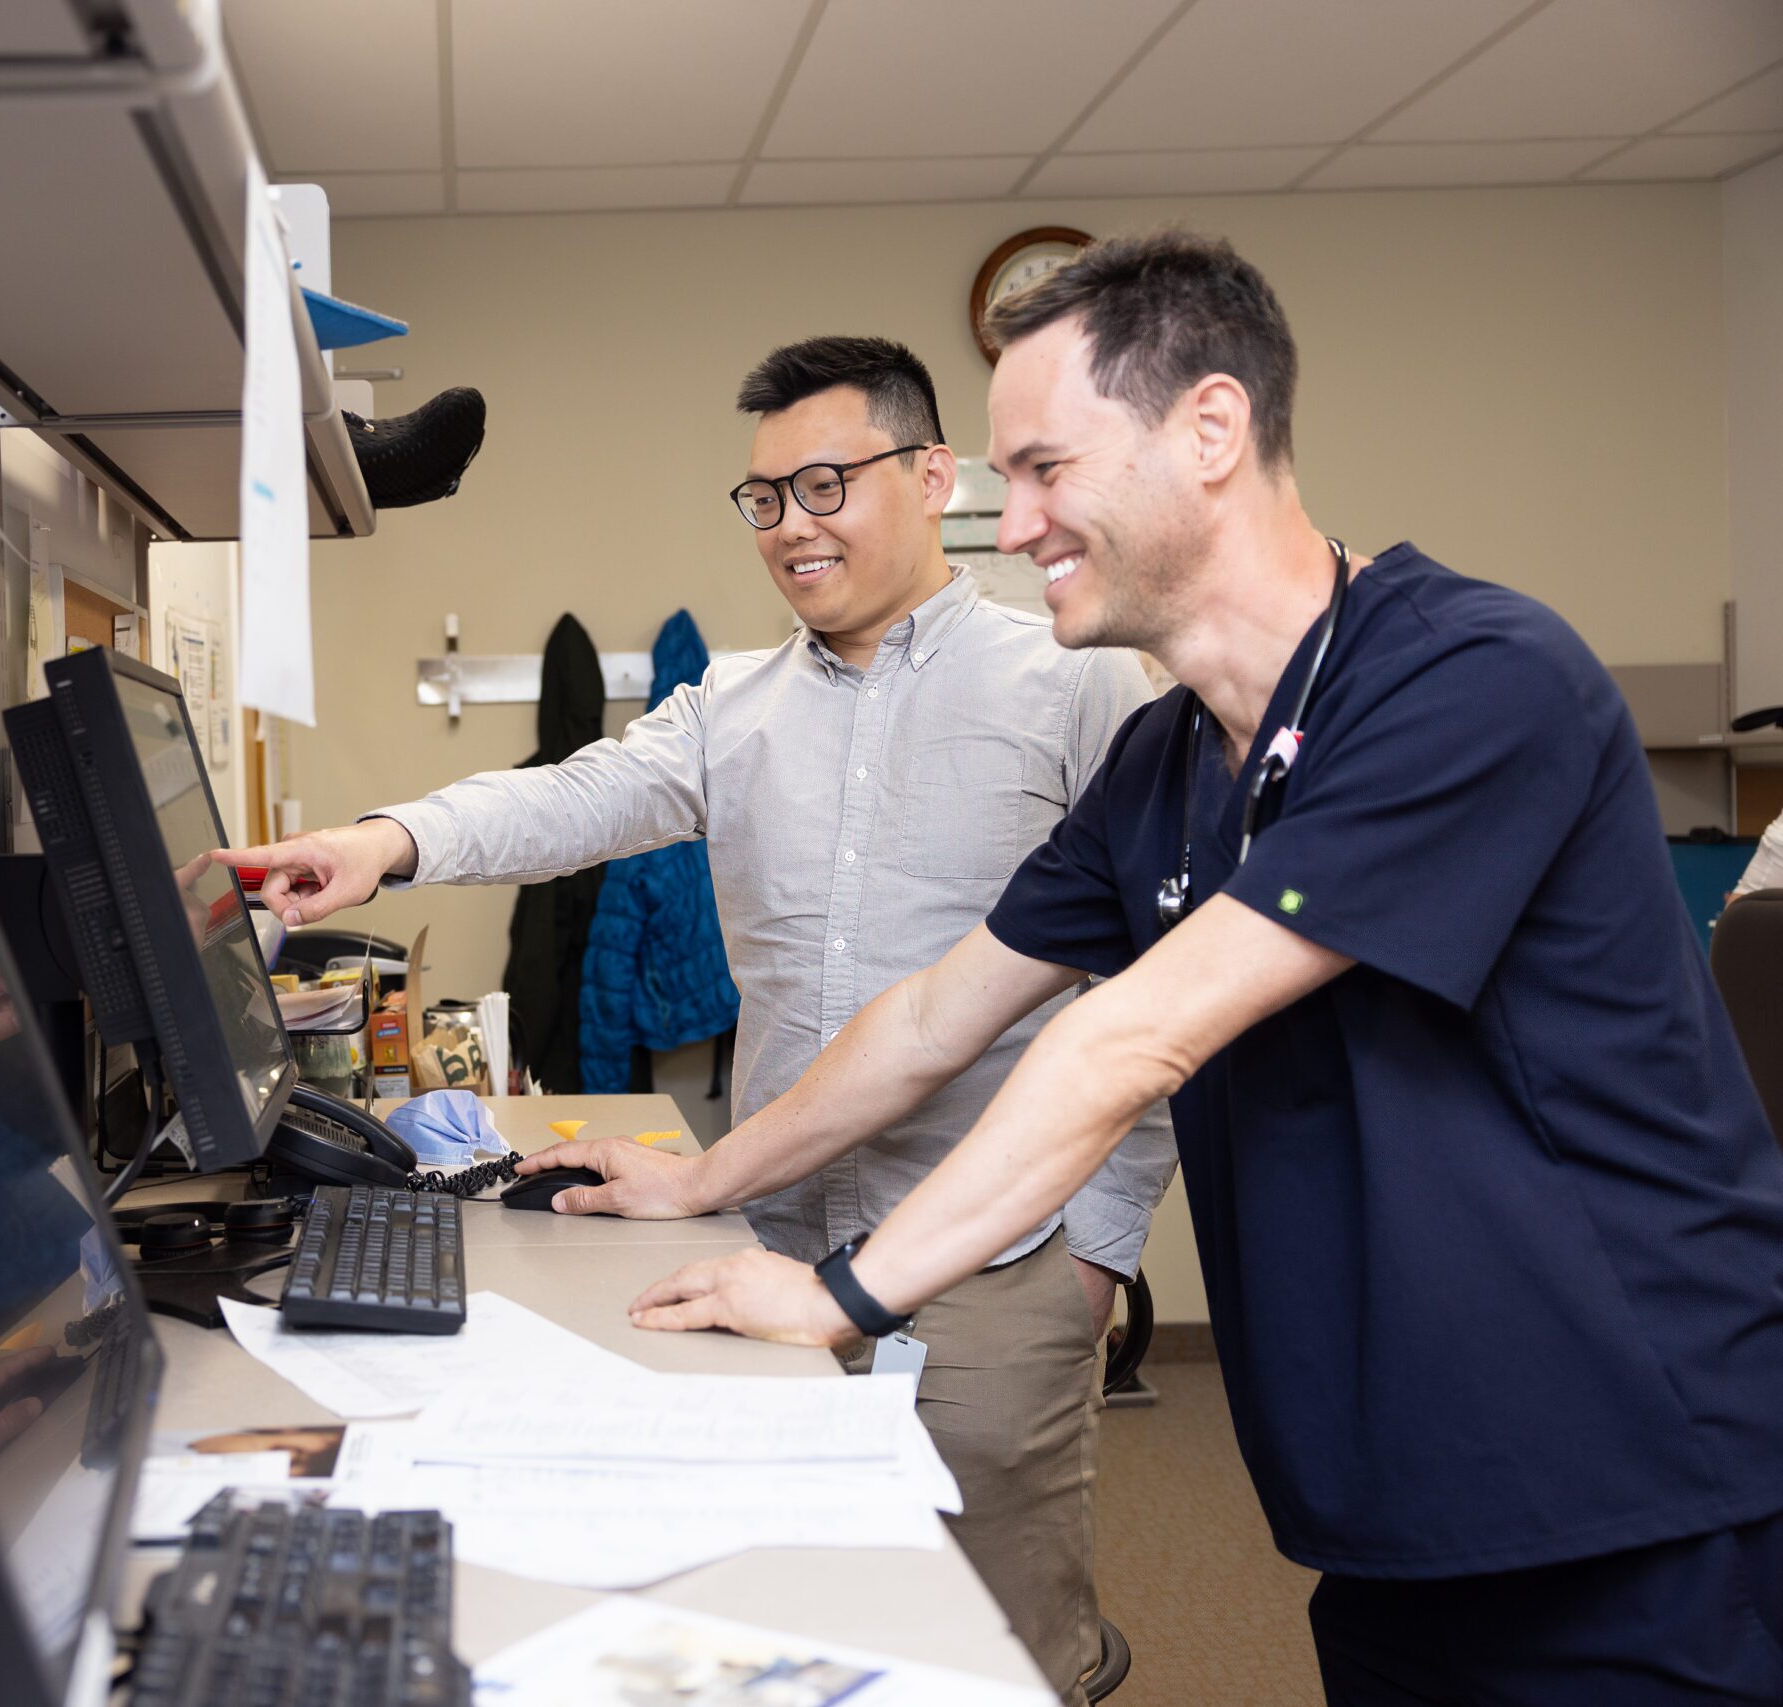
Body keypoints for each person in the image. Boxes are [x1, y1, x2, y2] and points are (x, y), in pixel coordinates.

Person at [562, 231, 1783, 1703]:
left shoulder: (1473, 679)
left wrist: (841, 1297)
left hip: (1631, 1479)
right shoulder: (1165, 759)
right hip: (1392, 1492)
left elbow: (1125, 1042)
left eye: (1044, 471)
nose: (1008, 528)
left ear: (1211, 429)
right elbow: (939, 1015)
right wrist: (703, 1180)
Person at [214, 336, 1176, 1698]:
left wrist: (1101, 1247)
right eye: (765, 497)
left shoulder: (1073, 683)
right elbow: (571, 797)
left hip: (992, 1265)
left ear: (933, 475)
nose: (792, 526)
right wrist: (386, 839)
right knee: (802, 1614)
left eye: (828, 484)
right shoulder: (733, 702)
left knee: (1004, 1643)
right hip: (769, 1241)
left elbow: (1160, 978)